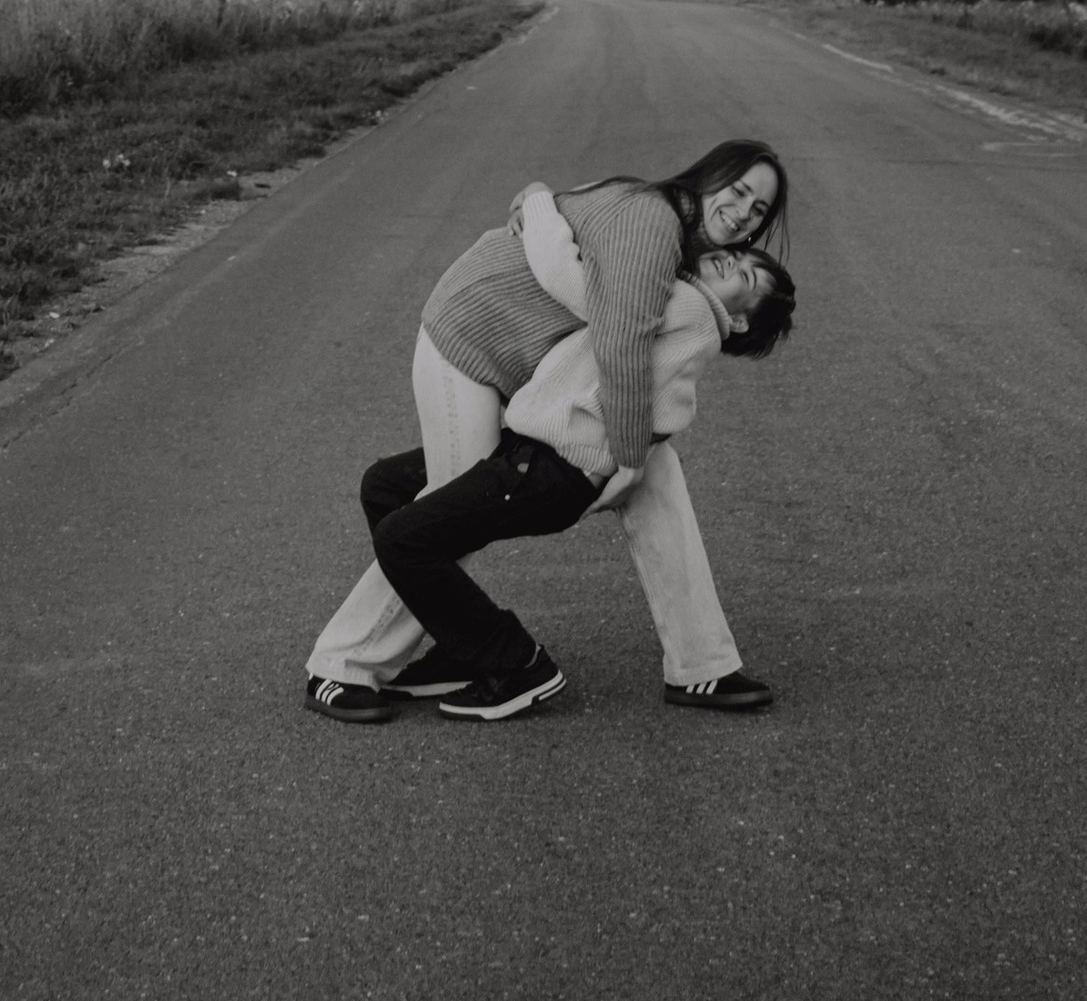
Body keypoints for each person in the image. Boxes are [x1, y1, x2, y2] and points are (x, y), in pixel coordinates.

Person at [302, 139, 789, 722]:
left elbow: (608, 290)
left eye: (758, 210)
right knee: (445, 507)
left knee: (655, 474)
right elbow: (617, 331)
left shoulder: (684, 257)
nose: (742, 212)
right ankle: (351, 663)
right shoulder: (655, 223)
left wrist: (542, 198)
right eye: (737, 190)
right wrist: (538, 204)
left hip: (537, 397)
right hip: (473, 340)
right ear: (710, 177)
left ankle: (703, 665)